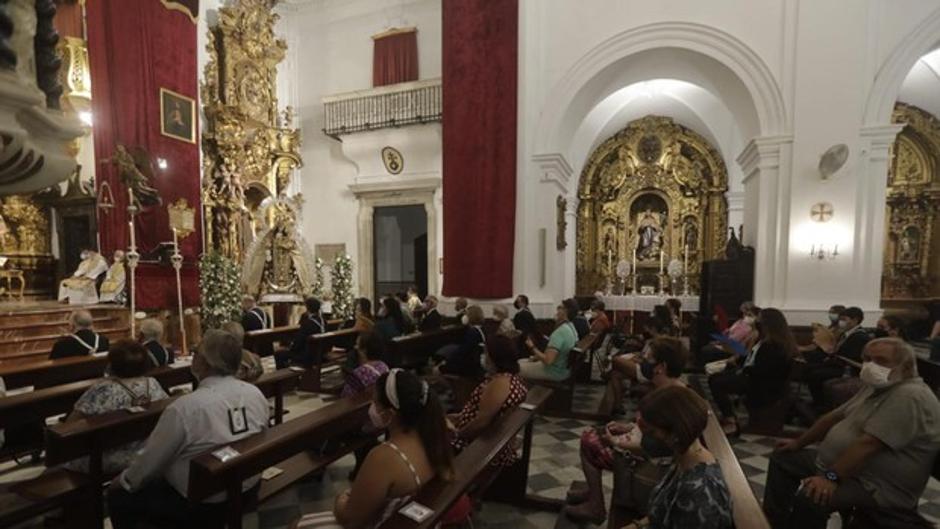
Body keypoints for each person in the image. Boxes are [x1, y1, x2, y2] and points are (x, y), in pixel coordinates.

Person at [764, 338, 940, 529]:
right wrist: (798, 443)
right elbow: (832, 417)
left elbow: (869, 444)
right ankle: (772, 523)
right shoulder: (877, 386)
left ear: (904, 367)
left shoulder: (910, 395)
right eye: (867, 359)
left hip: (875, 485)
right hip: (843, 468)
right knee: (783, 458)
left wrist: (830, 478)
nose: (871, 366)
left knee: (812, 498)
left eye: (881, 361)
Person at [107, 330, 270, 529]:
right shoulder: (254, 393)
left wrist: (124, 481)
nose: (193, 357)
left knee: (119, 496)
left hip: (201, 503)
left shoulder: (185, 407)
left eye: (196, 353)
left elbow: (151, 461)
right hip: (247, 487)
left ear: (205, 363)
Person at [297, 369, 454, 528]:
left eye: (375, 402)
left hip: (385, 523)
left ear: (389, 414)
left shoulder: (385, 457)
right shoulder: (434, 436)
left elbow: (350, 520)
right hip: (409, 519)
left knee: (299, 524)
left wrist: (340, 500)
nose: (372, 408)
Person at [567, 337, 688, 523]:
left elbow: (660, 446)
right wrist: (629, 427)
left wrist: (616, 442)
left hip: (648, 466)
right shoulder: (667, 388)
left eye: (648, 359)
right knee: (595, 432)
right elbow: (654, 430)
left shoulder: (672, 399)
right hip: (643, 449)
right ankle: (593, 493)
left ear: (661, 366)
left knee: (588, 441)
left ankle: (596, 506)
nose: (643, 362)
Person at [622, 386, 733, 529]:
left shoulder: (698, 493)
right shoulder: (685, 459)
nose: (646, 439)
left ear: (675, 433)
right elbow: (664, 510)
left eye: (652, 432)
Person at [64, 340, 169, 474]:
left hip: (105, 457)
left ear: (112, 364)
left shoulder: (103, 388)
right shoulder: (152, 383)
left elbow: (70, 424)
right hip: (146, 450)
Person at [707, 307, 796, 434]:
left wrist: (744, 370)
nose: (757, 322)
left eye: (760, 320)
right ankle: (729, 416)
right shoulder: (764, 339)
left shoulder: (774, 345)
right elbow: (751, 356)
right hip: (754, 377)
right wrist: (739, 363)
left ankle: (730, 419)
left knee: (717, 383)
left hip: (763, 384)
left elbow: (764, 369)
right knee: (716, 377)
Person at [448, 335, 527, 465]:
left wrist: (456, 434)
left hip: (478, 446)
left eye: (485, 353)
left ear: (495, 357)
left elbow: (481, 422)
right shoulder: (512, 378)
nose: (483, 357)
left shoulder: (499, 383)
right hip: (487, 440)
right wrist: (460, 416)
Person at [803, 306, 870, 408]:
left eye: (844, 319)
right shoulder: (846, 334)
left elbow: (851, 356)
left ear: (855, 320)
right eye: (840, 319)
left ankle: (821, 406)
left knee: (816, 374)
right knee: (810, 367)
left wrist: (832, 354)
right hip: (839, 364)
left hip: (848, 369)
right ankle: (817, 402)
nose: (840, 322)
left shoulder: (860, 336)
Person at [519, 302, 577, 381]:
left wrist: (532, 347)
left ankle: (525, 392)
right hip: (563, 369)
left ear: (565, 311)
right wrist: (537, 357)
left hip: (553, 371)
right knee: (521, 361)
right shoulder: (571, 327)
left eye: (560, 308)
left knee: (514, 367)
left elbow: (548, 360)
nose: (557, 310)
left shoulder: (560, 332)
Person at [277, 297, 325, 368]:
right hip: (319, 352)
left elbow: (298, 342)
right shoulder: (323, 321)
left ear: (308, 308)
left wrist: (291, 347)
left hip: (308, 356)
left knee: (279, 354)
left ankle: (284, 377)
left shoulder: (308, 323)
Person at [439, 305, 486, 378]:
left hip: (469, 366)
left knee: (438, 369)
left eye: (466, 315)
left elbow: (463, 352)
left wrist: (446, 363)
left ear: (471, 316)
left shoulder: (472, 332)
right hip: (475, 362)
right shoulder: (481, 329)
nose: (464, 317)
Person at [342, 331, 390, 398]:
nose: (355, 347)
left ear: (364, 350)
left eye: (357, 344)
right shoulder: (384, 366)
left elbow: (346, 396)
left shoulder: (358, 374)